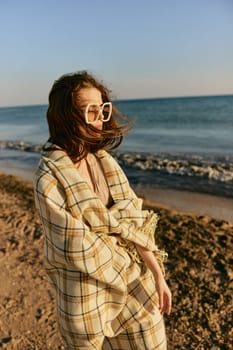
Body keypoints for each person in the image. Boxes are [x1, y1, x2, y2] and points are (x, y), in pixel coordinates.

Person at [34, 71, 172, 349]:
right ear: (67, 117)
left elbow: (132, 219)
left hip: (134, 285)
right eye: (92, 111)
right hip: (84, 297)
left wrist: (156, 273)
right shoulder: (48, 179)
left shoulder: (104, 161)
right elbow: (76, 246)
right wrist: (130, 258)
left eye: (103, 110)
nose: (101, 118)